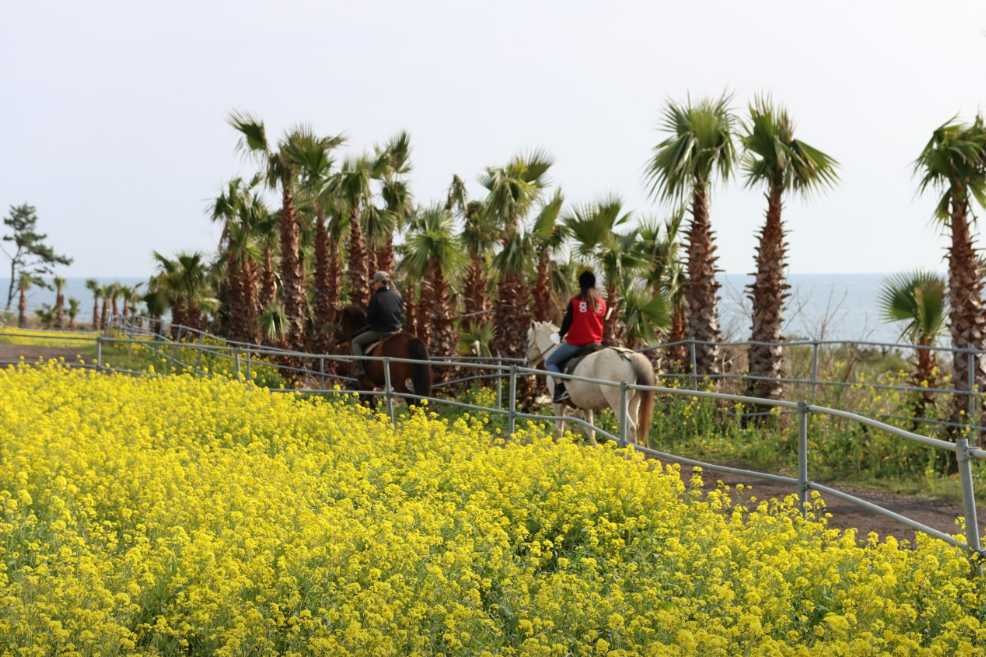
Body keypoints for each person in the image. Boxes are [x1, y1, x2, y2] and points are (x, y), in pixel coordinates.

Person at [545, 270, 607, 403]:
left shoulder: (575, 301)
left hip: (577, 343)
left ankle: (561, 389)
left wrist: (560, 334)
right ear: (593, 283)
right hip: (596, 343)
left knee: (550, 362)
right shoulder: (602, 303)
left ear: (580, 284)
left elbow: (567, 322)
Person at [351, 271, 403, 378]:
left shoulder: (376, 297)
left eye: (374, 283)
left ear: (379, 283)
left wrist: (371, 323)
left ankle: (360, 369)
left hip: (382, 332)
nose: (373, 286)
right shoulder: (397, 295)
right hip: (398, 330)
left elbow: (370, 319)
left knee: (355, 342)